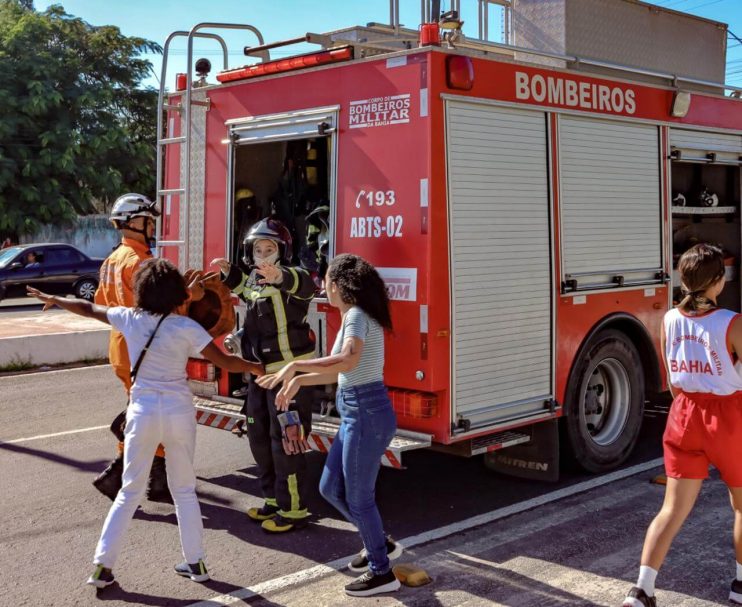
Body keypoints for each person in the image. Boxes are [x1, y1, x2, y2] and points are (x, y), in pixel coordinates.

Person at [27, 259, 264, 590]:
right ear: (175, 293)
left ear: (141, 290)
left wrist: (56, 300)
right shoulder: (185, 327)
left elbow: (87, 307)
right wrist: (257, 368)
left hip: (143, 412)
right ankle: (196, 564)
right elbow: (225, 361)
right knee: (183, 489)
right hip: (179, 413)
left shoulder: (130, 318)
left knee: (130, 491)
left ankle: (102, 567)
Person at [259, 253, 403, 597]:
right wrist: (298, 380)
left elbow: (349, 359)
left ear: (335, 285)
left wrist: (294, 367)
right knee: (329, 488)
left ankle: (382, 571)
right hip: (358, 410)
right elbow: (342, 369)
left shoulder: (355, 316)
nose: (323, 286)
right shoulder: (357, 315)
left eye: (324, 281)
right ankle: (378, 542)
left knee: (358, 498)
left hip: (366, 411)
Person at [623, 243, 742, 607]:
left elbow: (674, 381)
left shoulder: (669, 320)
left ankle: (642, 590)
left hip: (684, 415)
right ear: (718, 281)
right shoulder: (732, 322)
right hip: (728, 416)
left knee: (672, 509)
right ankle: (739, 587)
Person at [211, 217, 316, 533]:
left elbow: (305, 284)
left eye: (269, 248)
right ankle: (272, 499)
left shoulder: (293, 279)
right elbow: (245, 288)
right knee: (258, 438)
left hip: (288, 377)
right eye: (258, 248)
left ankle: (294, 508)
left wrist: (281, 275)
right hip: (260, 374)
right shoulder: (256, 282)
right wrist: (229, 274)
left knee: (287, 443)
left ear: (281, 251)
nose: (263, 254)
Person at [94, 193, 174, 502]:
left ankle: (156, 480)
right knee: (151, 416)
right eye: (150, 221)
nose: (153, 227)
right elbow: (157, 312)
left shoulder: (112, 259)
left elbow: (102, 305)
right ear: (136, 222)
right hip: (142, 352)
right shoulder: (140, 262)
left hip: (120, 348)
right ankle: (121, 474)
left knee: (145, 413)